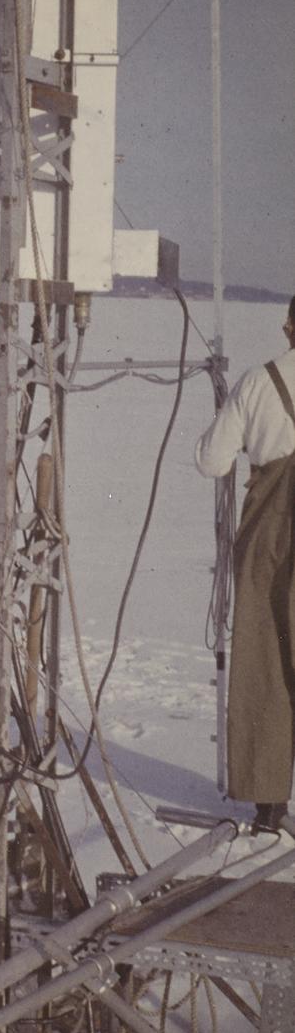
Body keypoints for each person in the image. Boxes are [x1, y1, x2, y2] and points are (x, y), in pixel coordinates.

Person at [195, 295, 295, 832]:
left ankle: (268, 803)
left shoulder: (258, 382)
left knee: (265, 659)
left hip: (269, 540)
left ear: (288, 326)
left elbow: (211, 461)